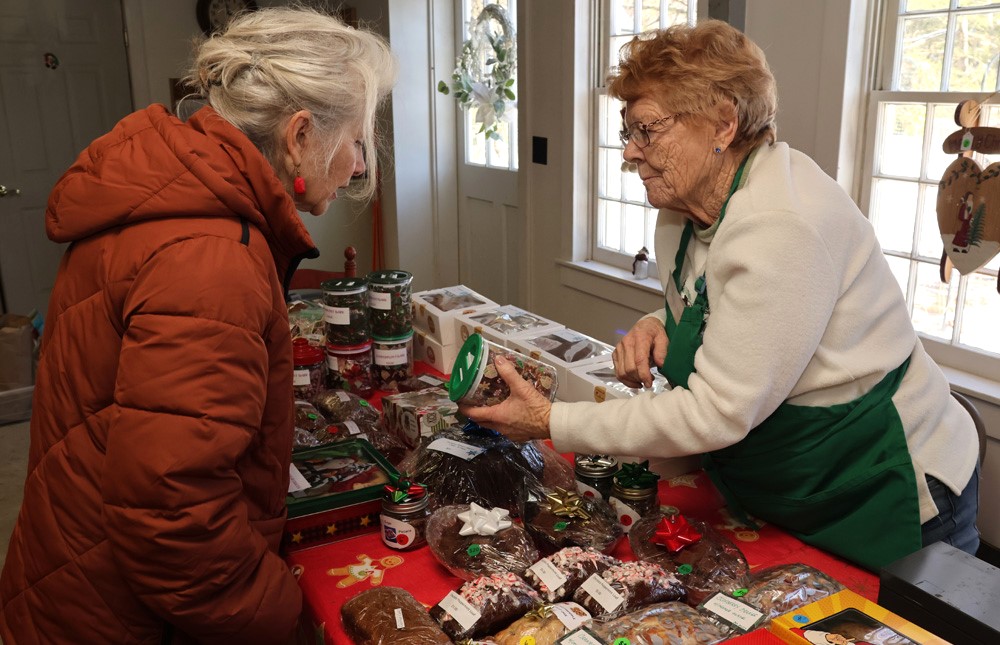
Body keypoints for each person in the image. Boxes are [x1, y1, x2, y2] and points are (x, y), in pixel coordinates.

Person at [462, 20, 980, 571]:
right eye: (628, 132)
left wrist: (551, 421)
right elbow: (725, 299)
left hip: (885, 488)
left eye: (649, 130)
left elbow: (715, 412)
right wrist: (660, 320)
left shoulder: (784, 224)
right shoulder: (683, 209)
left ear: (724, 124)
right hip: (786, 485)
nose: (630, 154)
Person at [0, 7, 395, 644]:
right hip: (117, 617)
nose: (359, 164)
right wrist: (283, 611)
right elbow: (172, 520)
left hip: (76, 575)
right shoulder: (211, 258)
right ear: (299, 136)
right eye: (357, 140)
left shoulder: (173, 188)